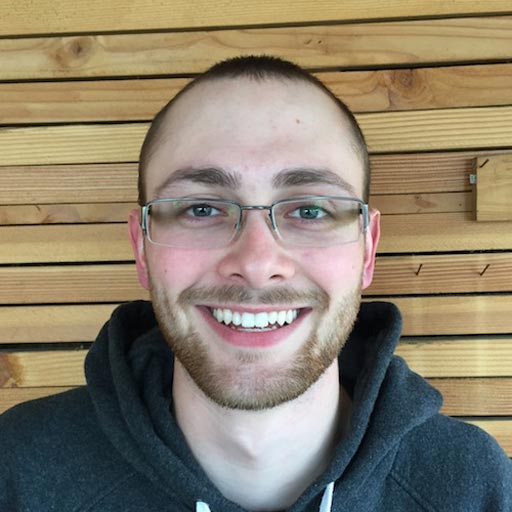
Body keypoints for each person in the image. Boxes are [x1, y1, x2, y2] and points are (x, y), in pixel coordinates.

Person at [0, 56, 510, 512]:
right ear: (141, 248)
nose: (257, 263)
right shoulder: (18, 474)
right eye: (202, 208)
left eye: (310, 210)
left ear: (367, 249)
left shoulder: (476, 488)